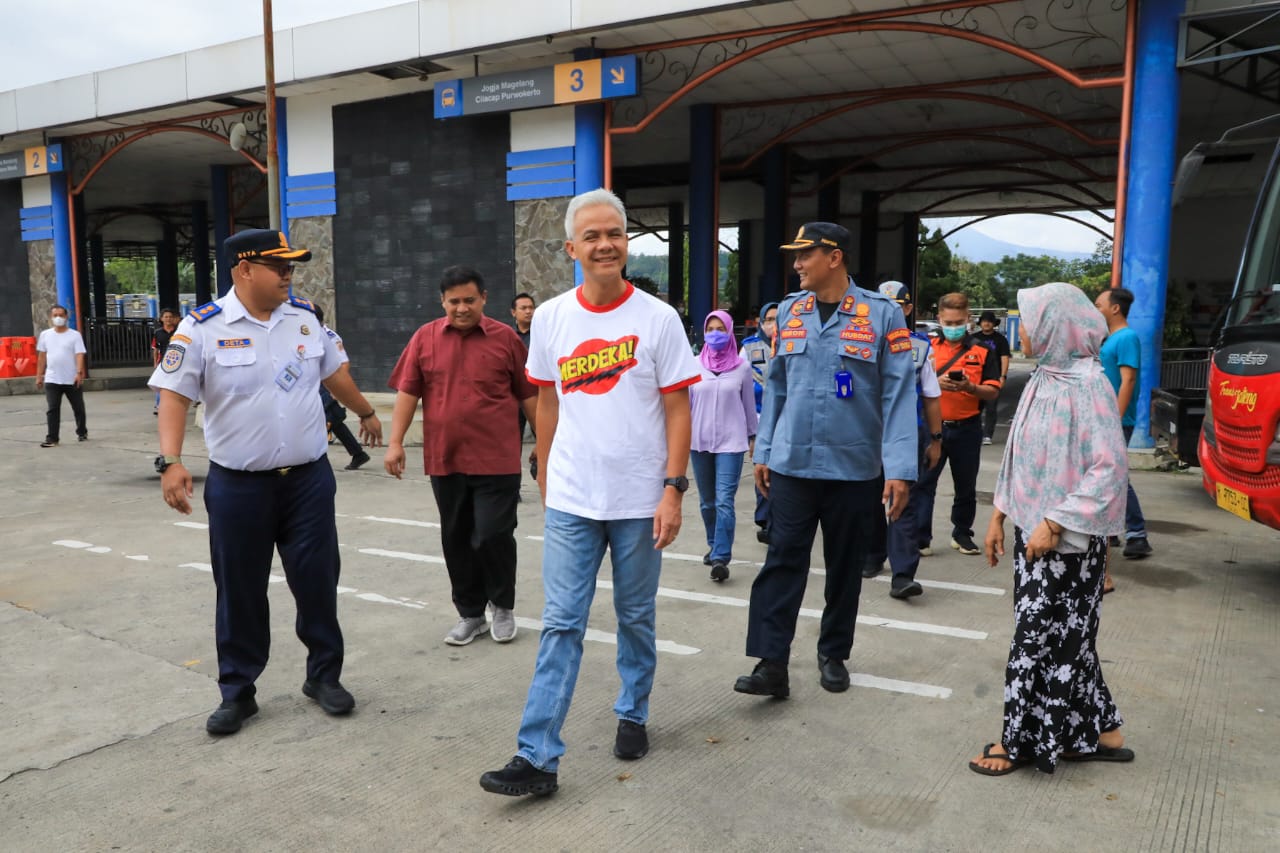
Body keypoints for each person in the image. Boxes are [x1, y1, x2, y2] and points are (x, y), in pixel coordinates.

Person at [480, 188, 700, 797]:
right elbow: (546, 400)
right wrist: (546, 469)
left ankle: (633, 711)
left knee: (634, 616)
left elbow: (678, 408)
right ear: (572, 247)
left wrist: (673, 488)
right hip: (574, 498)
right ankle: (538, 756)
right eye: (593, 236)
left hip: (639, 500)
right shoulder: (550, 316)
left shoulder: (657, 319)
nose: (606, 245)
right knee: (560, 624)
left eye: (616, 234)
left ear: (626, 243)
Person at [150, 228, 384, 736]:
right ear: (243, 269)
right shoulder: (201, 329)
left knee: (318, 581)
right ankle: (238, 692)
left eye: (291, 266)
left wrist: (365, 410)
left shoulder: (303, 321)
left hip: (307, 482)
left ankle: (323, 677)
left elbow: (333, 371)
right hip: (239, 486)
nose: (288, 274)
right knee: (239, 590)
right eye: (278, 265)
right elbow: (173, 395)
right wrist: (171, 459)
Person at [733, 222, 916, 700]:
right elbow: (776, 386)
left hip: (854, 470)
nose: (796, 265)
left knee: (843, 567)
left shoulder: (881, 315)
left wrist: (898, 468)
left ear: (833, 257)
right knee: (781, 562)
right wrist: (765, 450)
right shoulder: (791, 311)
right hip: (793, 464)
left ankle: (833, 653)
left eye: (804, 255)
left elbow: (899, 394)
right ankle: (771, 663)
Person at [972, 281, 1133, 776]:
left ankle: (1017, 742)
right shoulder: (1044, 377)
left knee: (1036, 642)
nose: (1023, 332)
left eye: (1032, 320)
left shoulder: (1089, 385)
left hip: (1065, 542)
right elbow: (1017, 453)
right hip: (1032, 533)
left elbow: (1108, 467)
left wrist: (1054, 521)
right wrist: (1001, 515)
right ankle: (1103, 730)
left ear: (1055, 326)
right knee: (1071, 640)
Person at [384, 265, 537, 646]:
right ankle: (471, 614)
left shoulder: (506, 340)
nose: (462, 308)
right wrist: (396, 441)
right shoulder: (425, 338)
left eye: (469, 300)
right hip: (445, 458)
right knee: (455, 537)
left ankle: (502, 606)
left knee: (492, 534)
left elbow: (530, 396)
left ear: (484, 298)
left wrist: (547, 447)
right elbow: (407, 392)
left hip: (497, 459)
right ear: (442, 302)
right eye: (454, 301)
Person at [862, 282, 943, 599]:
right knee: (869, 498)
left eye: (897, 307)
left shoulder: (921, 349)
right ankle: (871, 556)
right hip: (866, 433)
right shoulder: (859, 343)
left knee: (903, 501)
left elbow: (932, 397)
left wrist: (936, 439)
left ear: (908, 310)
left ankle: (903, 574)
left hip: (906, 433)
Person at [915, 292, 1002, 556]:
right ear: (939, 319)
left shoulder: (984, 351)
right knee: (924, 483)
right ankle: (920, 537)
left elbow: (993, 391)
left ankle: (962, 534)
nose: (953, 328)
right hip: (934, 428)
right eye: (948, 322)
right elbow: (908, 384)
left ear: (969, 319)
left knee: (965, 486)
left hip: (967, 428)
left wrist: (971, 387)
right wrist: (932, 383)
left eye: (958, 322)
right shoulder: (926, 348)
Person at [689, 309, 758, 582]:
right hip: (700, 441)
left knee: (724, 501)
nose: (715, 334)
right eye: (710, 329)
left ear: (730, 331)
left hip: (732, 442)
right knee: (707, 503)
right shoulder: (694, 365)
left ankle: (721, 557)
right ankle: (712, 543)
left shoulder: (742, 367)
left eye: (720, 329)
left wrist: (754, 438)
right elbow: (686, 406)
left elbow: (749, 408)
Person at [1095, 286, 1154, 565]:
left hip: (1116, 419)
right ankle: (1112, 531)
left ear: (1115, 308)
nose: (1097, 310)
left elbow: (1128, 380)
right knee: (1107, 475)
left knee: (1116, 476)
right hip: (1106, 418)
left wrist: (1115, 419)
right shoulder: (1112, 338)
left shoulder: (1127, 337)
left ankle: (1137, 534)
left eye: (1099, 305)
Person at [313, 305, 370, 471]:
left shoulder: (330, 336)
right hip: (318, 386)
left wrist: (335, 390)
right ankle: (358, 454)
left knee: (326, 421)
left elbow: (343, 363)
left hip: (327, 387)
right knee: (334, 421)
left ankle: (315, 461)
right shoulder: (312, 334)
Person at [739, 302, 778, 543]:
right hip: (759, 418)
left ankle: (777, 518)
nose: (774, 324)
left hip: (785, 419)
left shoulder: (791, 345)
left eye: (778, 318)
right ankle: (764, 519)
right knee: (762, 467)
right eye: (770, 319)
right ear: (762, 322)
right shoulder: (748, 349)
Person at [35, 305, 87, 447]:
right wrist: (39, 375)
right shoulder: (45, 335)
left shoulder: (74, 335)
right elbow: (42, 357)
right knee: (52, 409)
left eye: (61, 315)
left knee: (78, 408)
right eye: (55, 315)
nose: (58, 318)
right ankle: (52, 438)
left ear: (66, 317)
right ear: (51, 318)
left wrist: (79, 372)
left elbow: (79, 354)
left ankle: (82, 431)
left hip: (71, 379)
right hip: (52, 379)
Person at [974, 310, 1011, 445]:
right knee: (975, 407)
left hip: (993, 377)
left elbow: (1005, 358)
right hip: (976, 376)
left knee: (991, 407)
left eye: (989, 321)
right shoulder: (973, 338)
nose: (986, 323)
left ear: (994, 324)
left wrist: (1003, 376)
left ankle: (987, 435)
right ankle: (975, 432)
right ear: (980, 323)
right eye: (984, 321)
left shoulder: (1000, 340)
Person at [152, 307, 180, 415]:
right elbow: (155, 349)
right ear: (161, 319)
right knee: (161, 385)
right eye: (166, 317)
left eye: (170, 317)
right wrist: (155, 363)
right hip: (162, 362)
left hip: (177, 361)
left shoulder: (179, 331)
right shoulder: (157, 333)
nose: (168, 319)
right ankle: (159, 406)